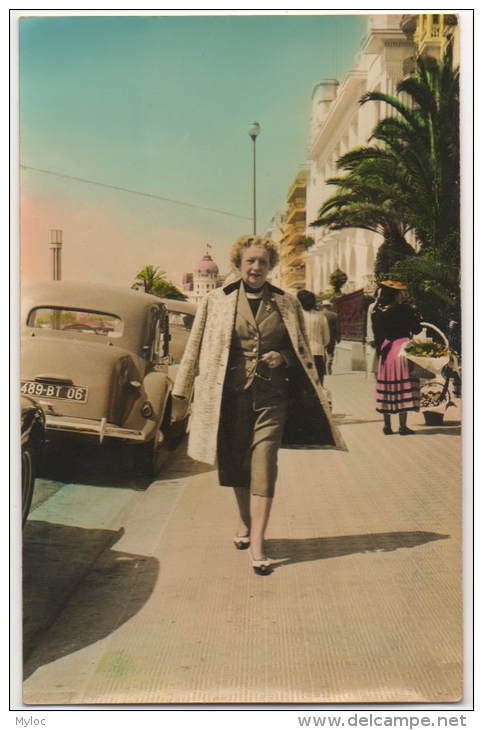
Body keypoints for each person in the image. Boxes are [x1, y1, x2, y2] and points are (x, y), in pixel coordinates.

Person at [173, 235, 346, 575]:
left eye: (263, 262)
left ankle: (258, 544)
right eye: (250, 261)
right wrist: (181, 392)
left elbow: (299, 350)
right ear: (239, 264)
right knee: (237, 465)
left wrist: (280, 356)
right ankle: (244, 521)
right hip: (231, 397)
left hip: (272, 399)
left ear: (271, 267)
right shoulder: (217, 300)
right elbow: (194, 346)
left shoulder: (287, 302)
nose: (256, 268)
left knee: (264, 464)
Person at [371, 280, 422, 435]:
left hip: (386, 350)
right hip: (402, 347)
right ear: (396, 295)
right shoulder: (404, 309)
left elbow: (377, 336)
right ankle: (402, 426)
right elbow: (416, 328)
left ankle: (387, 426)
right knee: (402, 385)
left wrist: (381, 353)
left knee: (387, 386)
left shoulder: (376, 312)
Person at [296, 289, 330, 387]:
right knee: (318, 385)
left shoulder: (296, 316)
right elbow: (326, 339)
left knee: (302, 385)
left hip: (301, 354)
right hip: (318, 354)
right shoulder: (320, 316)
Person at [320, 300, 341, 375]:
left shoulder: (320, 314)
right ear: (329, 306)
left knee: (322, 351)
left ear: (323, 306)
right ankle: (329, 362)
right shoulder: (334, 315)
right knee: (330, 351)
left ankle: (324, 368)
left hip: (322, 335)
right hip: (332, 335)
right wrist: (339, 337)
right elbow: (337, 327)